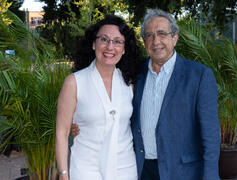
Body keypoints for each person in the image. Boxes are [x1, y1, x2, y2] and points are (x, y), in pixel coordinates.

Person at [72, 9, 220, 180]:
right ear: (144, 41)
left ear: (175, 37)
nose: (156, 41)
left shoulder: (199, 76)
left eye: (162, 34)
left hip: (182, 172)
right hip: (141, 169)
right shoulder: (133, 73)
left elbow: (210, 137)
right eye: (149, 35)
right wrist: (75, 122)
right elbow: (106, 102)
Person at [55, 15, 143, 180]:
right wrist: (63, 174)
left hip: (125, 169)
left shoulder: (129, 83)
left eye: (117, 41)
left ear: (124, 49)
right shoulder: (74, 82)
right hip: (86, 169)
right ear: (94, 43)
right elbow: (62, 132)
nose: (110, 47)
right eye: (104, 39)